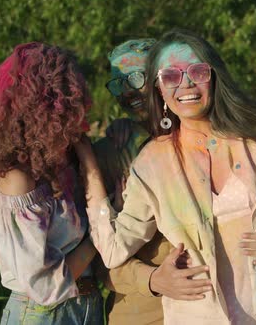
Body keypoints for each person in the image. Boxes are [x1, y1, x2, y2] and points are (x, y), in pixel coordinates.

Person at [83, 28, 256, 324]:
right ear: (159, 89)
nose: (186, 84)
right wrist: (90, 167)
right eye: (171, 76)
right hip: (198, 313)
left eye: (197, 71)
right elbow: (114, 248)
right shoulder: (151, 163)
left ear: (214, 76)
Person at [0, 42, 103, 324]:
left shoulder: (64, 160)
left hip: (86, 308)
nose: (78, 107)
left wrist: (88, 160)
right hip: (42, 315)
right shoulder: (18, 179)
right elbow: (45, 286)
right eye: (67, 98)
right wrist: (101, 236)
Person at [92, 38, 171, 325]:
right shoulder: (111, 151)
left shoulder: (205, 139)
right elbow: (97, 251)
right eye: (118, 82)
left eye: (136, 77)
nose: (126, 91)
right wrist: (149, 278)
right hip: (139, 311)